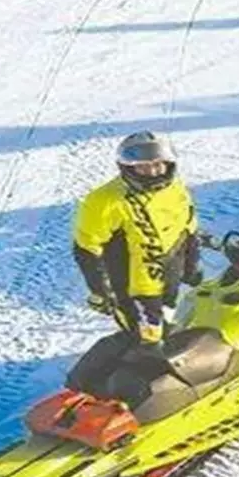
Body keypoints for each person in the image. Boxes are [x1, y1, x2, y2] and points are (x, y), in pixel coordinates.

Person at [72, 132, 201, 346]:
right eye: (143, 167)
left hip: (169, 278)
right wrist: (100, 291)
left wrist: (192, 264)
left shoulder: (176, 188)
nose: (152, 172)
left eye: (158, 165)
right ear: (128, 168)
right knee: (145, 341)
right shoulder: (103, 201)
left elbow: (189, 228)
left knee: (168, 330)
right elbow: (87, 248)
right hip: (134, 291)